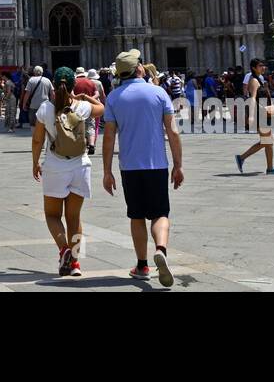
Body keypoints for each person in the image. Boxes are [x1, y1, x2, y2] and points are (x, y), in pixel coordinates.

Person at [101, 49, 183, 284]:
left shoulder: (114, 97)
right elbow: (173, 132)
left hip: (129, 167)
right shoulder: (158, 93)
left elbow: (108, 138)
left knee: (136, 216)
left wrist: (107, 172)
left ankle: (142, 266)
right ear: (139, 69)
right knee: (160, 213)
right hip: (157, 164)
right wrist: (178, 165)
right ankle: (161, 249)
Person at [33, 66, 105, 277]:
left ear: (54, 86)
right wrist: (83, 96)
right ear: (73, 85)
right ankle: (74, 264)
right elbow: (101, 108)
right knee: (74, 217)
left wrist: (35, 162)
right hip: (80, 166)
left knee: (52, 214)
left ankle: (63, 249)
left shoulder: (46, 109)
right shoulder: (82, 107)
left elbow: (37, 139)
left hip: (55, 167)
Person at [235, 59, 274, 174]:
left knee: (267, 141)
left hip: (263, 114)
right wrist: (251, 116)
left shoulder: (259, 79)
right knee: (268, 141)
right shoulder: (253, 81)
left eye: (264, 65)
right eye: (260, 66)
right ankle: (269, 167)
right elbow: (252, 98)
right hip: (259, 115)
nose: (264, 67)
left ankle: (244, 159)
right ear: (254, 68)